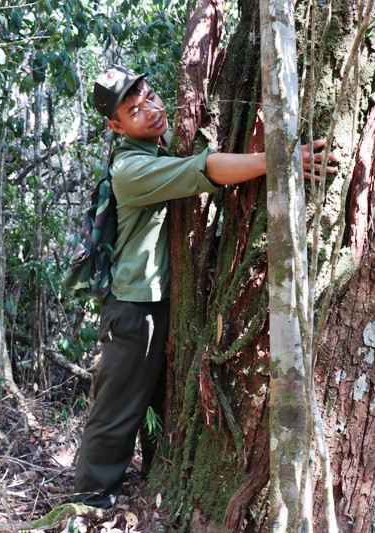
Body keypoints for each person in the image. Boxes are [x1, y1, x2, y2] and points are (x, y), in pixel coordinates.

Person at [72, 65, 335, 509]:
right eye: (135, 110)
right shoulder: (131, 167)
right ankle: (88, 503)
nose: (152, 110)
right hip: (134, 310)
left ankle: (155, 492)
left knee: (164, 405)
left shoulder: (158, 148)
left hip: (161, 304)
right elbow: (203, 170)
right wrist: (281, 159)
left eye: (151, 97)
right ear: (117, 126)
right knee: (117, 411)